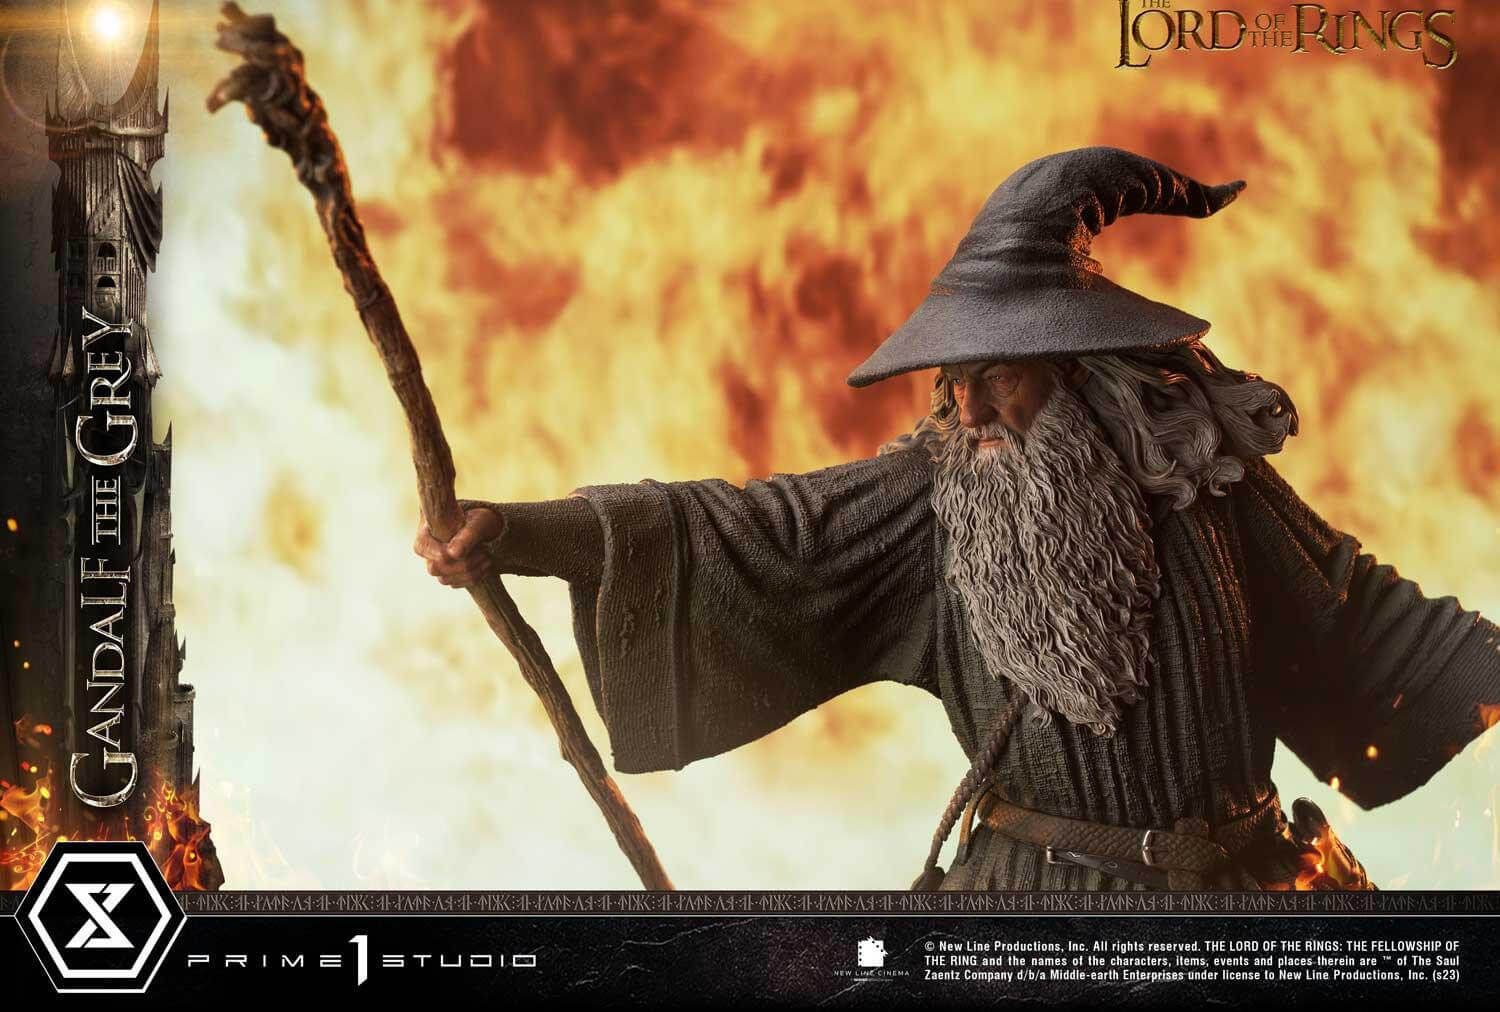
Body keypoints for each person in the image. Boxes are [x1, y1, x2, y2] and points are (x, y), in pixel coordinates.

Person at [414, 147, 1500, 891]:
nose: (967, 407)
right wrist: (516, 534)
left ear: (1079, 371)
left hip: (1242, 901)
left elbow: (1350, 611)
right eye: (953, 380)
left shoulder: (1205, 479)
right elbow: (754, 531)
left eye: (998, 377)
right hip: (1030, 913)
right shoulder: (931, 503)